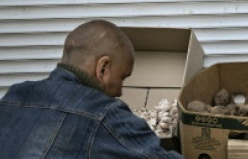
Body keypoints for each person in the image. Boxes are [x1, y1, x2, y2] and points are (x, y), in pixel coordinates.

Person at [0, 19, 181, 158]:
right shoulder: (104, 114)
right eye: (122, 77)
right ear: (103, 68)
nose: (120, 92)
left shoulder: (14, 96)